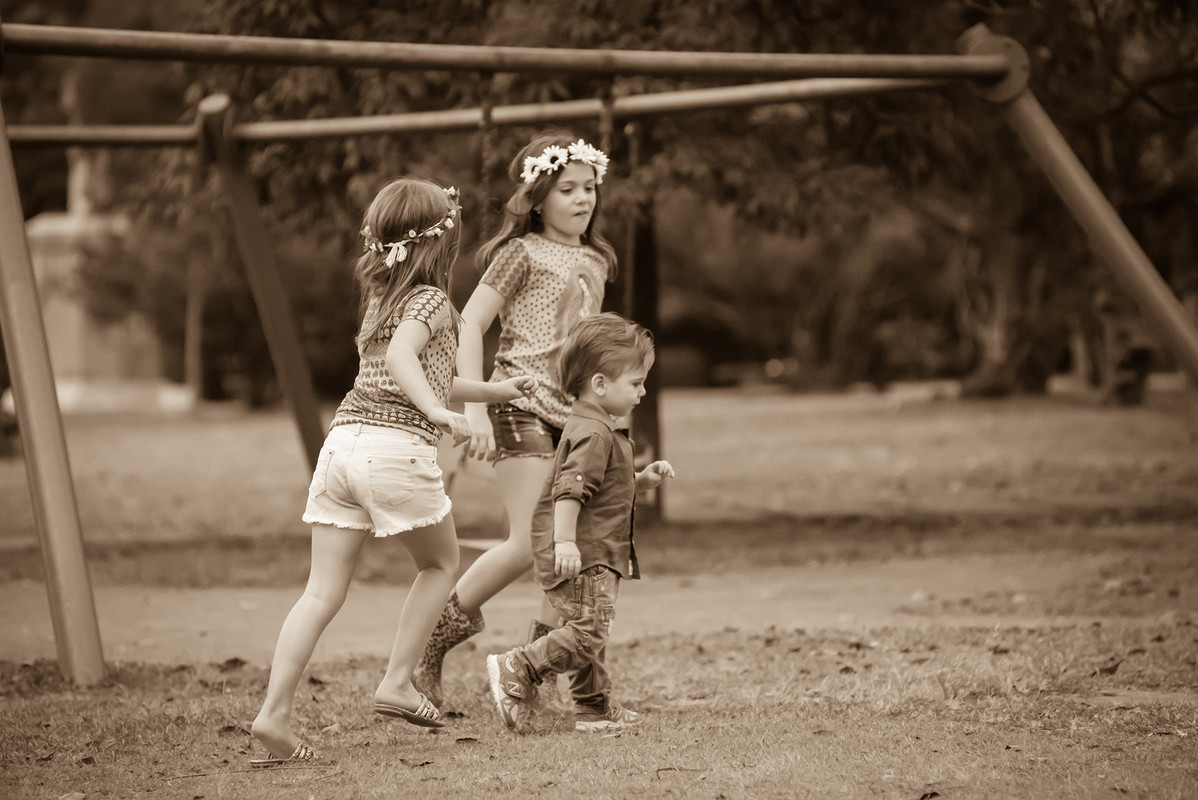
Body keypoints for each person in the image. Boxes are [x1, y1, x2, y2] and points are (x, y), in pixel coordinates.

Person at [249, 177, 537, 766]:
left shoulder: (383, 297)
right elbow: (410, 365)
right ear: (444, 239)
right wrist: (437, 413)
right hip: (393, 449)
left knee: (321, 591)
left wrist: (493, 390)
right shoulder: (431, 300)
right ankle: (398, 682)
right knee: (440, 563)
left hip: (342, 447)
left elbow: (418, 370)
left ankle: (273, 717)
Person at [413, 131, 619, 708]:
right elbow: (469, 325)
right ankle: (433, 638)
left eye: (590, 189)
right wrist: (475, 407)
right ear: (537, 198)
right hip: (516, 404)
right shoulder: (518, 255)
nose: (582, 200)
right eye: (567, 190)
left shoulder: (597, 258)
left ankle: (529, 679)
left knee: (566, 547)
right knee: (535, 544)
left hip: (573, 416)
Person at [485, 312, 675, 733]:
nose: (642, 393)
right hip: (583, 553)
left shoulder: (600, 427)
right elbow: (569, 491)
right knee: (589, 631)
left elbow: (605, 486)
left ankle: (592, 706)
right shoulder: (594, 433)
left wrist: (643, 480)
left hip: (594, 550)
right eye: (636, 383)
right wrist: (566, 543)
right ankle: (519, 665)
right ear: (601, 385)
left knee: (590, 626)